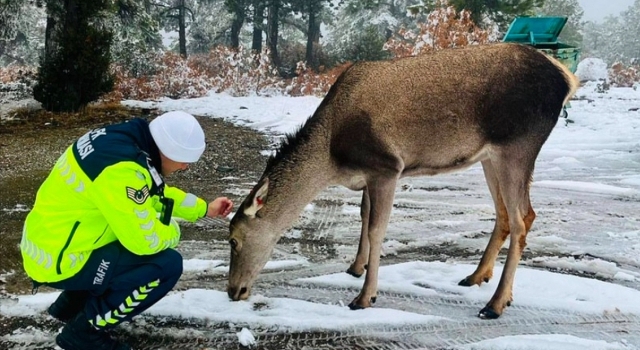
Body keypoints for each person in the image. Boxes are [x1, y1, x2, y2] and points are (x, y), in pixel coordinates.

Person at [20, 111, 233, 350]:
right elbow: (145, 242)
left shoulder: (122, 144)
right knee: (165, 265)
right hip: (61, 260)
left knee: (123, 234)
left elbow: (152, 193)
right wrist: (173, 233)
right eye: (184, 159)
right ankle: (84, 332)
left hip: (51, 242)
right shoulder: (121, 172)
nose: (184, 167)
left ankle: (70, 306)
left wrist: (204, 208)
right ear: (168, 150)